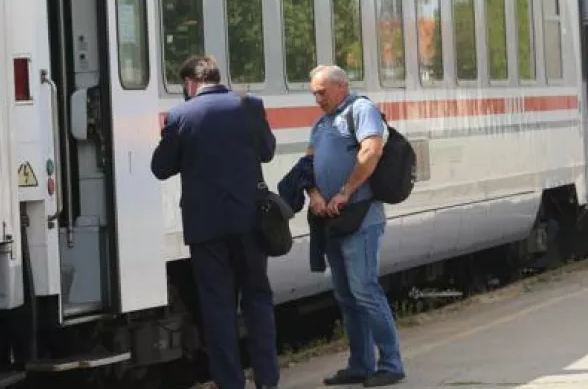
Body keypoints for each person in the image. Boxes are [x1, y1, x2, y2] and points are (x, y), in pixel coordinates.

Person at [150, 55, 280, 389]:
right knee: (257, 299)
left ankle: (230, 383)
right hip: (250, 222)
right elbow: (267, 151)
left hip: (206, 228)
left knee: (218, 307)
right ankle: (267, 380)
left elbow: (160, 167)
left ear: (190, 84)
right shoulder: (250, 105)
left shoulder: (181, 115)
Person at [305, 65, 406, 387]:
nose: (317, 98)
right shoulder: (322, 122)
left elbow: (371, 150)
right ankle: (360, 364)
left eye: (322, 91)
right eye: (313, 93)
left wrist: (346, 191)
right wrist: (315, 194)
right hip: (331, 219)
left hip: (360, 218)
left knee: (365, 291)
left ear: (341, 86)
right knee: (347, 296)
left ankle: (390, 363)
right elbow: (308, 162)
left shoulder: (360, 110)